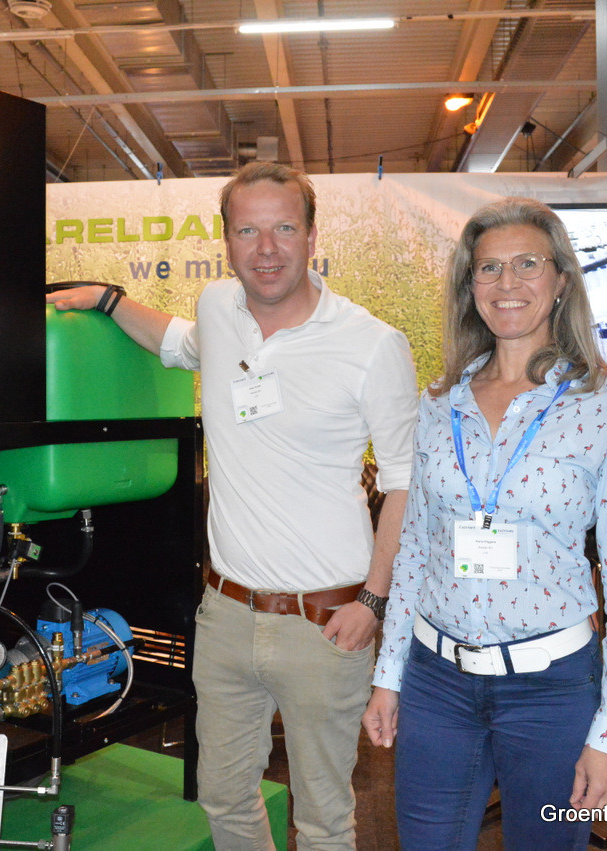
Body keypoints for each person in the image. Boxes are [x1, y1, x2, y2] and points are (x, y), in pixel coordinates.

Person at [47, 162, 418, 850]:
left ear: (312, 235)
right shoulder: (219, 308)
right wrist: (107, 300)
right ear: (227, 240)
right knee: (223, 797)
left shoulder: (372, 344)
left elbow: (405, 482)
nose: (266, 248)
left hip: (325, 623)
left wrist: (372, 602)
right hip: (225, 616)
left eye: (284, 228)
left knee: (324, 819)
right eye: (248, 231)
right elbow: (176, 342)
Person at [362, 197, 607, 849]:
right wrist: (389, 674)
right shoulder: (439, 403)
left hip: (552, 689)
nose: (507, 282)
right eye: (489, 268)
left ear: (561, 281)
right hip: (437, 683)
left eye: (528, 263)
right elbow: (415, 550)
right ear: (470, 287)